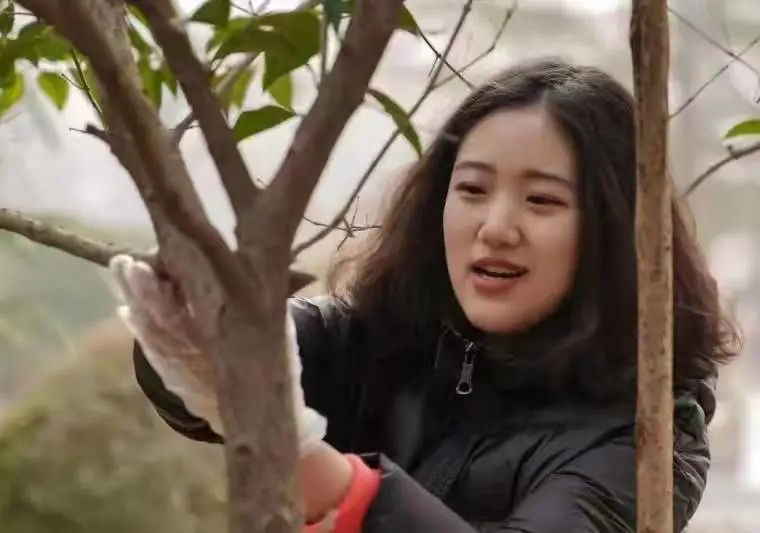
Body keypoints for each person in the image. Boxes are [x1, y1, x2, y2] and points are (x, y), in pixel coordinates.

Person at [110, 58, 740, 532]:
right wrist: (205, 338)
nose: (496, 227)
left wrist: (312, 464)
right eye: (472, 190)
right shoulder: (380, 341)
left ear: (619, 231)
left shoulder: (647, 440)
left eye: (542, 200)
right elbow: (259, 348)